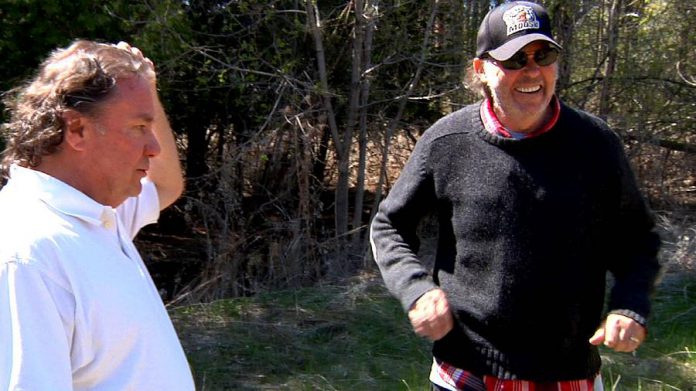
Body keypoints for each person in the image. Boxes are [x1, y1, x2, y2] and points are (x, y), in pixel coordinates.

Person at [370, 2, 661, 390]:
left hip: (568, 374)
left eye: (543, 56)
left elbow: (637, 237)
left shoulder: (595, 144)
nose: (531, 71)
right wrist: (417, 290)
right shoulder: (447, 142)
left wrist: (630, 303)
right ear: (481, 70)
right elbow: (389, 226)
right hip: (465, 372)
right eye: (514, 59)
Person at [0, 40, 195, 390]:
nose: (154, 148)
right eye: (139, 127)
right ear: (76, 130)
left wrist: (146, 88)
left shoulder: (101, 213)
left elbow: (166, 185)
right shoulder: (28, 256)